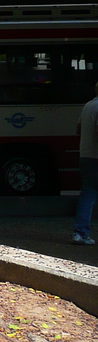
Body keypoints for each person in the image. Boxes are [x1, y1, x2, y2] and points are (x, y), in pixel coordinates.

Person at [74, 82, 98, 245]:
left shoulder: (88, 105)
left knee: (88, 194)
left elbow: (78, 129)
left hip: (86, 155)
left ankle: (80, 233)